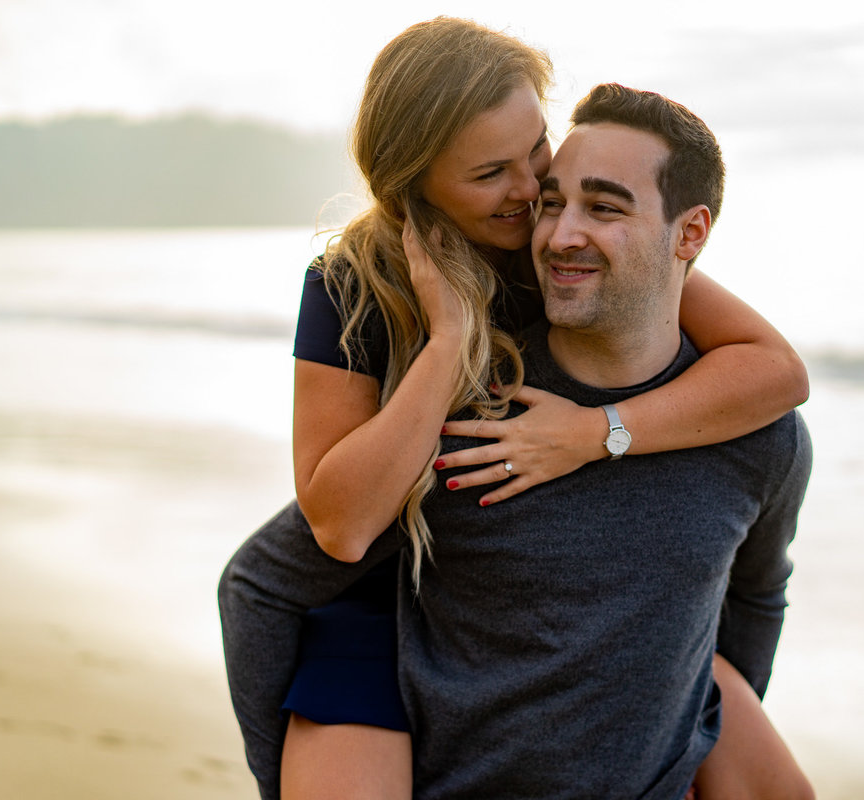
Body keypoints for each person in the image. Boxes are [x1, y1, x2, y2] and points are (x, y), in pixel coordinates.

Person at [218, 17, 809, 800]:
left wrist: (593, 434)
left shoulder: (562, 241)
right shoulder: (352, 285)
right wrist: (448, 341)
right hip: (386, 584)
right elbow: (338, 525)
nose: (532, 192)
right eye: (491, 171)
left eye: (536, 148)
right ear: (416, 187)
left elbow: (774, 372)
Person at [393, 81, 813, 798]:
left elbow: (755, 593)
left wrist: (700, 745)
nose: (559, 237)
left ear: (690, 233)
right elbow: (287, 587)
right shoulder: (461, 410)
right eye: (552, 203)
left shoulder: (758, 434)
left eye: (605, 207)